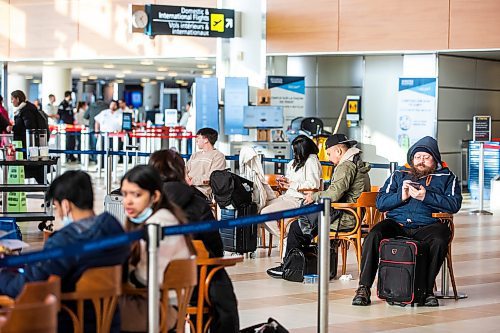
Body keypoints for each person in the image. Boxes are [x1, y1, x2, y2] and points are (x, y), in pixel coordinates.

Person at [0, 170, 129, 332]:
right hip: (110, 323)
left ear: (66, 205)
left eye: (57, 207)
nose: (59, 214)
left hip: (70, 323)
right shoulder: (114, 229)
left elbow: (28, 286)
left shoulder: (65, 242)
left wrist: (2, 274)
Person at [352, 136, 462, 307]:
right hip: (397, 224)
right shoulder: (399, 174)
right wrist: (401, 196)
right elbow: (381, 203)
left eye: (426, 157)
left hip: (428, 225)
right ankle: (363, 288)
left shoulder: (448, 177)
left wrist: (427, 196)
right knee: (374, 235)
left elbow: (454, 204)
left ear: (435, 159)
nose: (421, 161)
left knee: (440, 239)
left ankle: (426, 292)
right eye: (418, 157)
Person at [149, 149, 240, 333]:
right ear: (182, 172)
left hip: (152, 286)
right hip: (195, 288)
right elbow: (215, 247)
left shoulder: (145, 204)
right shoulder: (199, 204)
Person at [267, 134, 371, 278]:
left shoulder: (346, 166)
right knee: (305, 224)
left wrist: (314, 196)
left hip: (344, 217)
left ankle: (289, 267)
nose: (328, 159)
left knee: (297, 227)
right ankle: (299, 265)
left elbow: (334, 194)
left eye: (329, 154)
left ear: (339, 152)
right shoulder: (357, 163)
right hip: (351, 214)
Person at [120, 165, 192, 332]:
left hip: (160, 308)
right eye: (125, 194)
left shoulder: (159, 224)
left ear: (155, 196)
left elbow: (146, 278)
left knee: (91, 311)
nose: (128, 201)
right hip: (155, 302)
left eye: (136, 195)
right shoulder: (157, 218)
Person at [260, 135, 322, 238]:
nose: (294, 154)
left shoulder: (311, 161)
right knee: (259, 208)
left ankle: (286, 239)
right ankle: (287, 238)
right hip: (288, 196)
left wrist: (291, 184)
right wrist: (285, 181)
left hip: (298, 199)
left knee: (265, 213)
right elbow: (292, 180)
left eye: (296, 151)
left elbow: (313, 184)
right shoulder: (297, 162)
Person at [10, 90, 49, 183]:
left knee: (35, 171)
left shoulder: (26, 111)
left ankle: (50, 192)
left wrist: (13, 128)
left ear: (18, 99)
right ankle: (49, 192)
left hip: (29, 146)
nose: (11, 101)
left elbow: (29, 128)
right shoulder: (26, 109)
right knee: (36, 172)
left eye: (12, 99)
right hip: (29, 146)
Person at [185, 127, 226, 199]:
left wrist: (192, 181)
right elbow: (184, 169)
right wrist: (186, 179)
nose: (196, 140)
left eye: (198, 138)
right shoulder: (195, 155)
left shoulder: (218, 156)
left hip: (202, 191)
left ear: (206, 140)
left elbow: (213, 177)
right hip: (186, 187)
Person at [84, 98, 107, 163]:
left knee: (93, 144)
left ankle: (95, 158)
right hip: (103, 128)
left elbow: (85, 116)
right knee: (103, 144)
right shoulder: (106, 106)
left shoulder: (91, 106)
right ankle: (102, 159)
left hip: (92, 126)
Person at [58, 90, 77, 162]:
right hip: (66, 125)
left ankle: (71, 155)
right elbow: (60, 115)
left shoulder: (70, 104)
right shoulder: (63, 104)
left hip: (71, 125)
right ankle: (66, 155)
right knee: (67, 141)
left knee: (72, 141)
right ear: (68, 96)